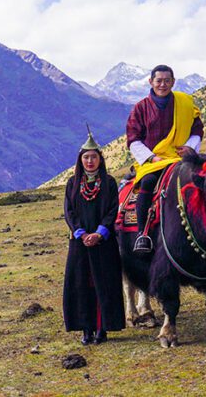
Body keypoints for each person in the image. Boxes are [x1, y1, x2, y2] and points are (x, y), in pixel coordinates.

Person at [125, 64, 204, 253]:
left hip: (180, 158)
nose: (163, 84)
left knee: (202, 179)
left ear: (173, 82)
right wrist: (151, 158)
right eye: (158, 81)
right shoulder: (141, 108)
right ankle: (142, 233)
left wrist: (190, 148)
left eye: (167, 81)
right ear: (151, 82)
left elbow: (197, 129)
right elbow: (133, 138)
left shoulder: (184, 103)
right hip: (153, 161)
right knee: (149, 182)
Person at [63, 130, 125, 345]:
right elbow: (69, 211)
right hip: (79, 244)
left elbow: (112, 210)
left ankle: (102, 328)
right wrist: (81, 233)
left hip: (103, 244)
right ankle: (85, 329)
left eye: (94, 157)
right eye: (86, 157)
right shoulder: (72, 184)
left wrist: (99, 233)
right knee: (82, 285)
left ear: (100, 159)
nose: (90, 161)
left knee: (103, 284)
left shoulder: (108, 183)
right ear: (81, 160)